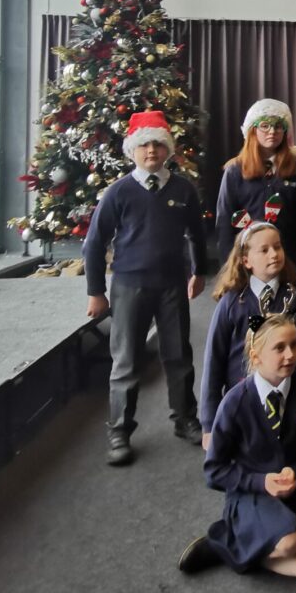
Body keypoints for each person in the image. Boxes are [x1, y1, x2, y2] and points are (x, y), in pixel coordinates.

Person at [83, 110, 207, 466]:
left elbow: (197, 235)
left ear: (167, 148)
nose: (151, 151)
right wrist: (96, 291)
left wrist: (198, 271)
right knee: (125, 360)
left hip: (171, 287)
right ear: (133, 151)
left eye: (157, 144)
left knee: (178, 355)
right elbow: (93, 244)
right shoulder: (118, 192)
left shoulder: (183, 189)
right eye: (144, 145)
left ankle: (184, 418)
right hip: (128, 287)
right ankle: (120, 430)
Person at [178, 314, 296, 578]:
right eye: (279, 348)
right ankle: (222, 541)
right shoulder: (235, 402)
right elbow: (214, 471)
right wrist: (261, 483)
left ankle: (236, 551)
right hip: (249, 492)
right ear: (256, 355)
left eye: (294, 345)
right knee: (290, 542)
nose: (290, 354)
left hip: (293, 490)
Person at [199, 221, 296, 448]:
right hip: (243, 393)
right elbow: (214, 361)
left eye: (277, 247)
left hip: (287, 391)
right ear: (246, 261)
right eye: (264, 250)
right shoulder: (232, 302)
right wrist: (209, 423)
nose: (274, 254)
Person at [215, 99, 296, 272]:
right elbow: (224, 221)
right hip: (248, 262)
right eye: (265, 125)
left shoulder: (295, 170)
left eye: (278, 126)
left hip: (285, 259)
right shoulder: (235, 171)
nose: (272, 131)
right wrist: (228, 267)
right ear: (253, 130)